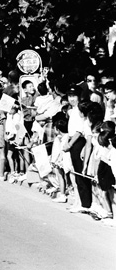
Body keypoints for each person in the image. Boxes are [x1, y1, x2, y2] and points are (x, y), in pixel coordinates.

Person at [63, 85, 91, 214]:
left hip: (77, 141)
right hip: (72, 140)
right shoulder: (72, 109)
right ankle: (80, 202)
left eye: (74, 96)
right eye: (70, 96)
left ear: (79, 97)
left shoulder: (79, 109)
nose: (72, 99)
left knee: (80, 173)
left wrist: (70, 144)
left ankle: (85, 204)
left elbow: (79, 130)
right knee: (75, 173)